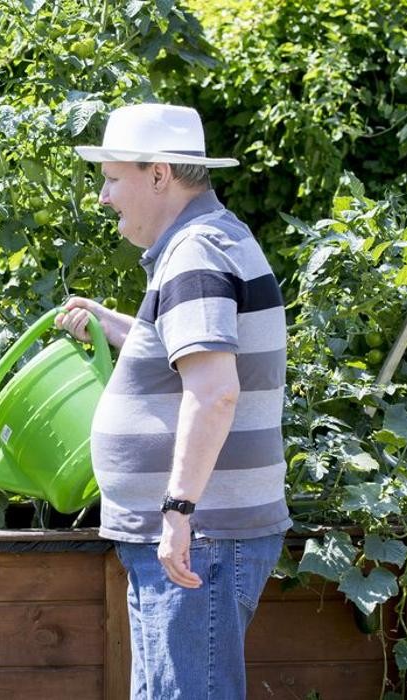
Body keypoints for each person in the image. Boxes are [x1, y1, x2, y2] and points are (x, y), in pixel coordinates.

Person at [57, 104, 291, 699]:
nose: (105, 197)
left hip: (199, 537)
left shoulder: (195, 252)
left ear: (159, 174)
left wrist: (177, 512)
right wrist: (115, 326)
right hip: (200, 538)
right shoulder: (210, 241)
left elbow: (214, 393)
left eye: (112, 179)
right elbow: (196, 355)